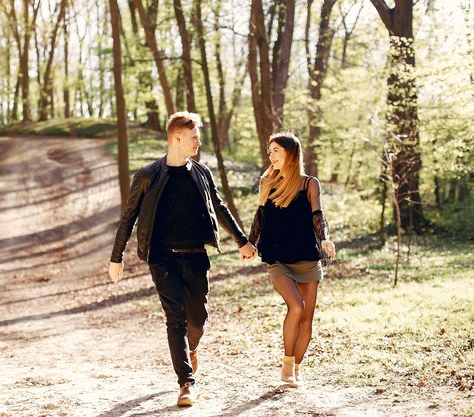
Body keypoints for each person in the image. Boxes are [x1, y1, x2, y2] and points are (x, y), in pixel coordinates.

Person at [108, 111, 256, 406]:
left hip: (196, 255)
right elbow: (128, 218)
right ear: (177, 137)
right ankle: (186, 383)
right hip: (162, 258)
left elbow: (219, 206)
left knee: (198, 319)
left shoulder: (202, 173)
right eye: (194, 137)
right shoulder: (148, 175)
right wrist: (117, 257)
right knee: (175, 319)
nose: (198, 142)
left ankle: (190, 347)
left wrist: (242, 241)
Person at [247, 132, 335, 388]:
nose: (270, 155)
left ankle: (296, 369)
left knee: (307, 317)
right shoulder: (268, 183)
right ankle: (286, 367)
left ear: (290, 153)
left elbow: (317, 215)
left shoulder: (310, 184)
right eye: (269, 150)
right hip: (278, 258)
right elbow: (260, 216)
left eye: (275, 150)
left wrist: (325, 239)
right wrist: (251, 242)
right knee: (295, 306)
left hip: (307, 258)